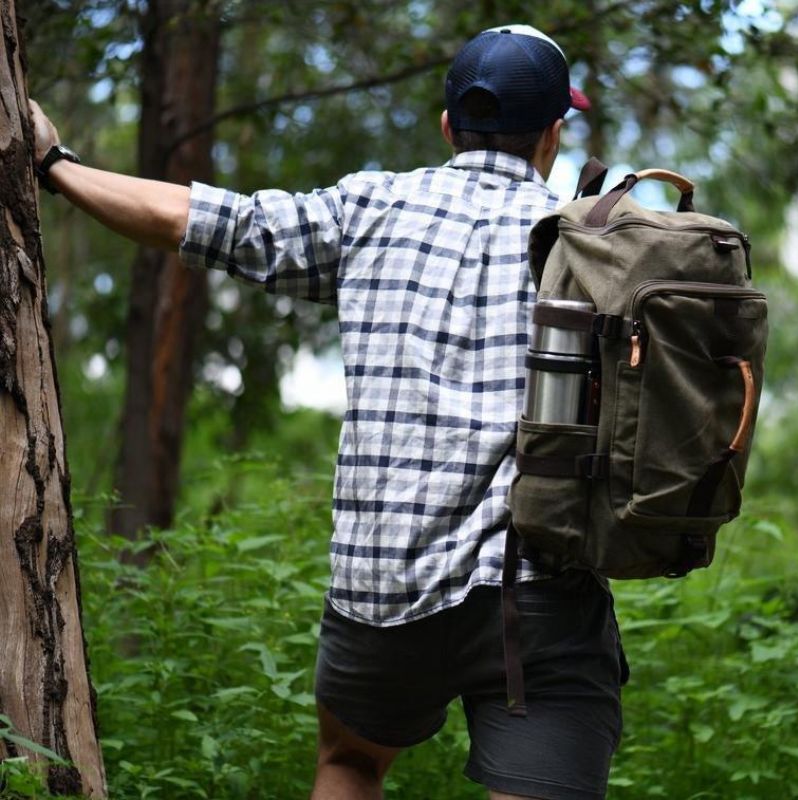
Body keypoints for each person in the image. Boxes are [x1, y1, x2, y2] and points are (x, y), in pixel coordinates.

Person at [31, 23, 626, 800]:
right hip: (537, 584)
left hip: (383, 586)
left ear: (448, 126)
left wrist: (55, 166)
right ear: (554, 134)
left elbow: (199, 219)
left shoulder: (368, 209)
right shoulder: (588, 245)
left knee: (349, 763)